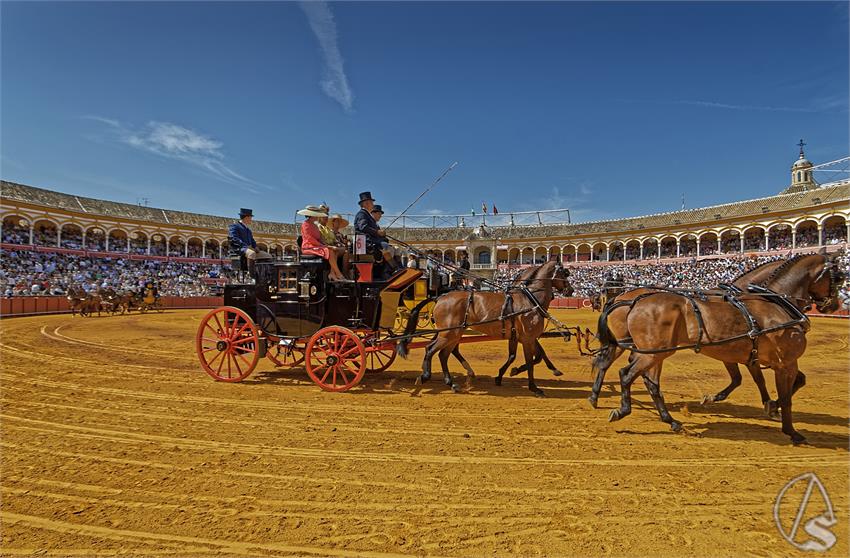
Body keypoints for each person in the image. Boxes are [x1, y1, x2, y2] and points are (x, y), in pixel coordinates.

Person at [299, 205, 348, 281]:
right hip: (309, 247)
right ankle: (338, 274)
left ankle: (333, 274)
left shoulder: (314, 225)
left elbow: (320, 238)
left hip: (317, 246)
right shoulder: (305, 224)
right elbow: (310, 239)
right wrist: (325, 246)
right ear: (312, 215)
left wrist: (326, 245)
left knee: (333, 250)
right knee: (330, 250)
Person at [354, 192, 397, 276]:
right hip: (366, 241)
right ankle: (387, 271)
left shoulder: (367, 215)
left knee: (389, 246)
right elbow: (363, 227)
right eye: (372, 202)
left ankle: (393, 268)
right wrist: (377, 232)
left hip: (371, 240)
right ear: (366, 203)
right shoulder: (362, 214)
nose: (373, 205)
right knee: (386, 246)